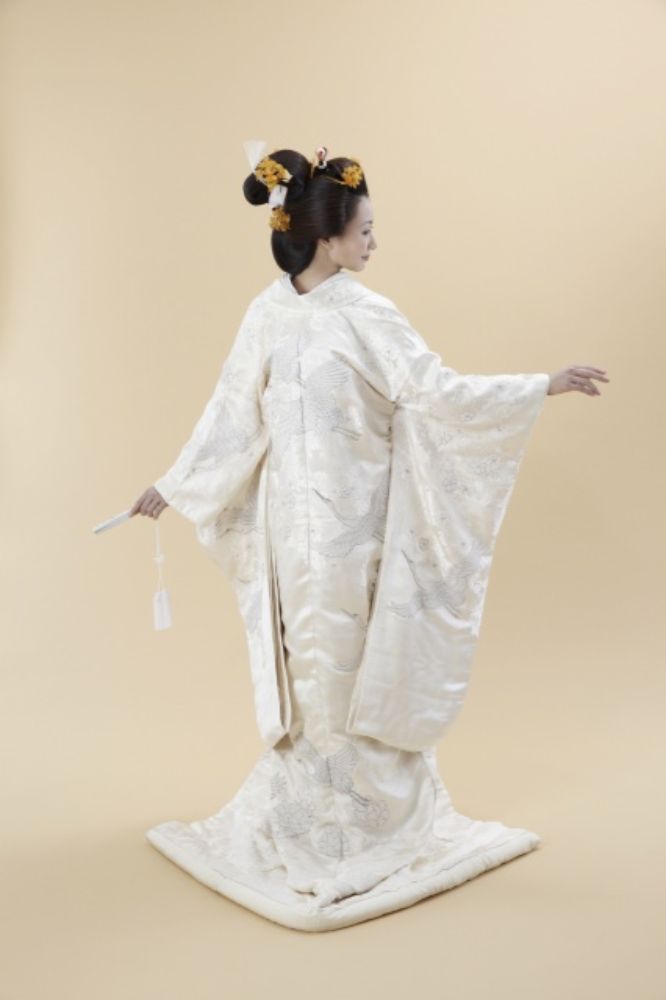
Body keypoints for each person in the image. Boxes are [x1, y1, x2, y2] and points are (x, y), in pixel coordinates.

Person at [130, 142, 609, 932]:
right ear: (325, 237)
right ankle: (305, 822)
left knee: (356, 671)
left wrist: (539, 386)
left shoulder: (369, 313)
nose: (375, 244)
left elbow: (434, 391)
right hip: (288, 530)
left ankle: (373, 826)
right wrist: (175, 485)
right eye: (365, 231)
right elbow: (230, 415)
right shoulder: (266, 314)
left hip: (358, 529)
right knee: (305, 669)